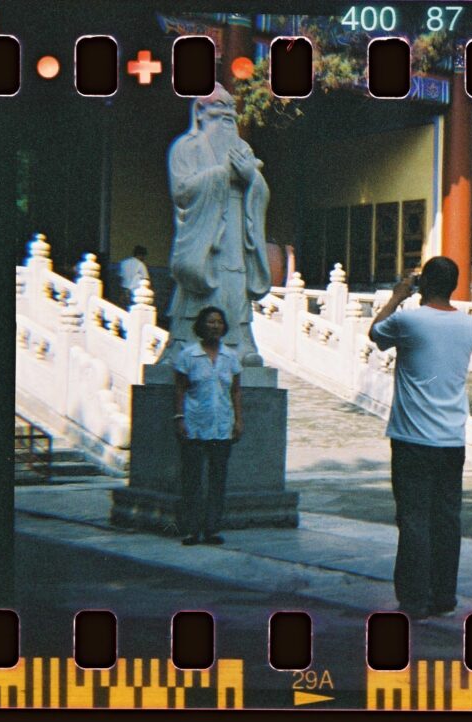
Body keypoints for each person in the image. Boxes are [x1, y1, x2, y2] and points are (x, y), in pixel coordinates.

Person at [369, 257, 472, 620]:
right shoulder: (469, 324)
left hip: (412, 438)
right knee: (447, 519)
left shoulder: (408, 320)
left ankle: (414, 598)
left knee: (414, 518)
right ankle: (444, 594)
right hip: (451, 438)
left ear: (425, 284)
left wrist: (398, 295)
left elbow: (375, 333)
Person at [160, 83, 272, 366]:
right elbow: (182, 191)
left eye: (231, 109)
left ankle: (241, 342)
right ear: (200, 111)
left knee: (236, 282)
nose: (228, 115)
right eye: (220, 107)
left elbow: (259, 188)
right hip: (205, 234)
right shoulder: (186, 147)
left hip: (236, 227)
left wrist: (251, 178)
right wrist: (222, 174)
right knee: (202, 287)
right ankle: (184, 342)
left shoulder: (242, 148)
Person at [173, 306, 243, 546]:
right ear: (201, 326)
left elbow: (236, 391)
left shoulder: (231, 357)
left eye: (219, 322)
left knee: (217, 479)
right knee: (192, 479)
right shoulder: (188, 355)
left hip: (222, 426)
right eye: (210, 322)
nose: (215, 326)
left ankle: (212, 529)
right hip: (194, 424)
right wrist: (179, 418)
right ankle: (191, 530)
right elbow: (180, 388)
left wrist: (238, 420)